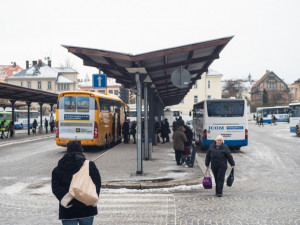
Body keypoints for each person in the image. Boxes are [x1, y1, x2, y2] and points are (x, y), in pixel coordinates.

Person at [52, 141, 101, 225]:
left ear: (67, 151)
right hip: (87, 208)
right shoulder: (89, 165)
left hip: (68, 210)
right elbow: (97, 183)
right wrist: (90, 196)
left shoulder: (58, 169)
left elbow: (56, 188)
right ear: (81, 150)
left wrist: (68, 199)